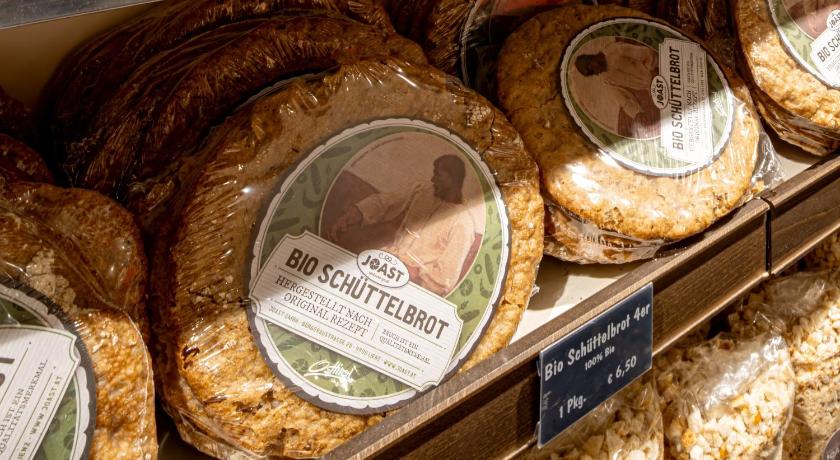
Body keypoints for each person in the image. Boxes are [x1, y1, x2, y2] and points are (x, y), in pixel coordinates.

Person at [328, 155, 476, 296]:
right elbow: (384, 202)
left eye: (438, 175)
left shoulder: (463, 222)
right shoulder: (422, 190)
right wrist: (350, 216)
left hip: (412, 286)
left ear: (453, 179)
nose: (432, 179)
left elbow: (445, 279)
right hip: (386, 261)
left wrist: (417, 272)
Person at [573, 39, 660, 138]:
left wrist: (651, 70)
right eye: (592, 74)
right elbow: (623, 99)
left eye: (592, 70)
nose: (596, 73)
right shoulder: (606, 78)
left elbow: (647, 53)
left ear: (591, 60)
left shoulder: (616, 50)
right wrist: (637, 114)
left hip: (658, 67)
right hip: (654, 89)